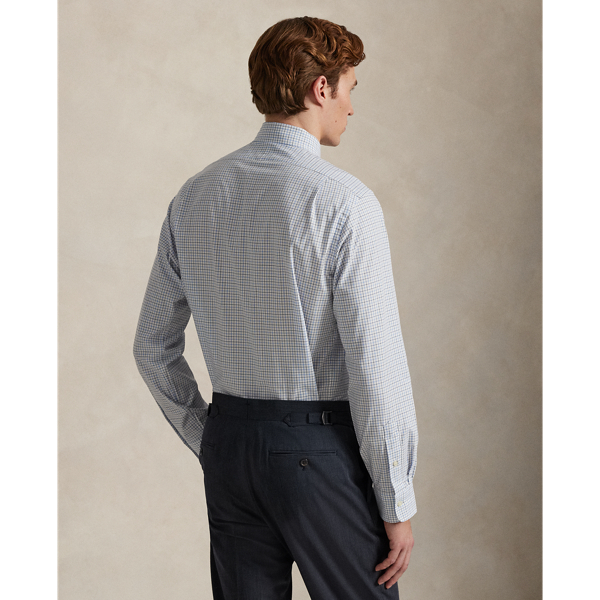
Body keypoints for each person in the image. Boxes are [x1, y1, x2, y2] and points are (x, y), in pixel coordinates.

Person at [133, 16, 418, 600]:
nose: (352, 107)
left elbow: (151, 347)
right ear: (321, 89)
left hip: (230, 451)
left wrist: (209, 436)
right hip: (317, 453)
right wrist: (396, 501)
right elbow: (376, 365)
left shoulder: (194, 196)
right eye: (350, 88)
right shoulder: (344, 203)